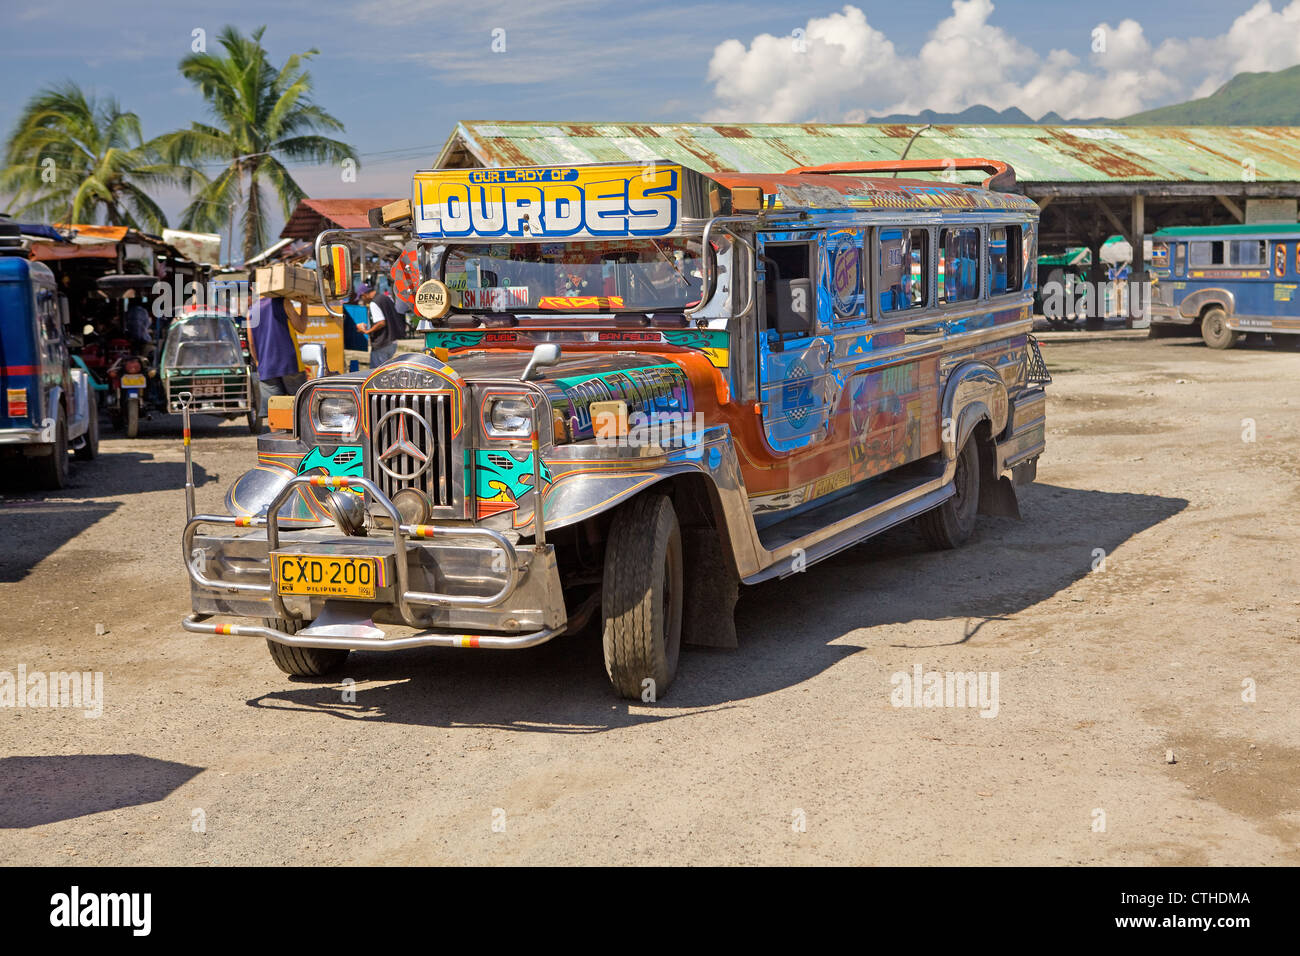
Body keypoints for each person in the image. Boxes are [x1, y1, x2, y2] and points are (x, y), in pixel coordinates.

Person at [247, 293, 308, 424]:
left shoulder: (252, 310)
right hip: (290, 365)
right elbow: (301, 327)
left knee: (274, 414)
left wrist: (259, 362)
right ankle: (299, 442)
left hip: (266, 368)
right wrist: (304, 304)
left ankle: (275, 442)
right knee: (301, 408)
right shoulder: (284, 302)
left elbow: (251, 343)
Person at [356, 282, 403, 368]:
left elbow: (381, 322)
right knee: (386, 372)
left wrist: (367, 331)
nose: (362, 300)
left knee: (377, 373)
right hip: (392, 341)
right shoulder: (386, 298)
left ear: (364, 295)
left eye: (361, 297)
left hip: (382, 343)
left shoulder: (374, 303)